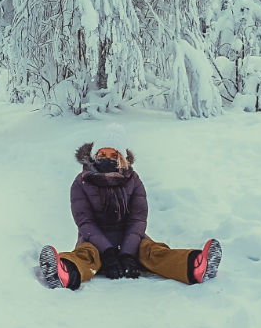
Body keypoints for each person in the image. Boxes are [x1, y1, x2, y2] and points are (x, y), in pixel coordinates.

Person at [39, 125, 221, 291]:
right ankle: (62, 271)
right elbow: (85, 222)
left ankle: (195, 266)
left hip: (131, 240)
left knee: (154, 252)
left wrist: (127, 253)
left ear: (122, 159)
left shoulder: (133, 181)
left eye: (113, 156)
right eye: (102, 155)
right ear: (95, 156)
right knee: (86, 256)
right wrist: (108, 252)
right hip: (94, 241)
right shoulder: (81, 183)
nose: (107, 159)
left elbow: (138, 219)